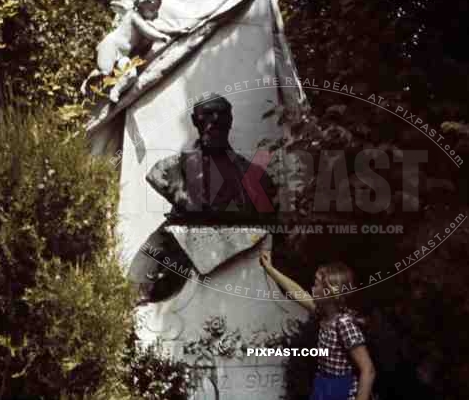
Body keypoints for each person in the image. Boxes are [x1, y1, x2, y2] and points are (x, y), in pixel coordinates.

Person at [131, 93, 276, 305]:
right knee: (140, 275)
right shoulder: (170, 168)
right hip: (178, 249)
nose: (215, 120)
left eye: (222, 114)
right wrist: (185, 199)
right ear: (194, 120)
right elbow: (156, 176)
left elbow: (267, 198)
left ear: (230, 120)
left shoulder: (253, 175)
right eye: (207, 114)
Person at [259, 253, 376, 400]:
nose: (312, 286)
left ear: (330, 292)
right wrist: (270, 269)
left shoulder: (344, 324)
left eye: (317, 283)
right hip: (323, 386)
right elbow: (297, 292)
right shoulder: (322, 314)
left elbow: (368, 369)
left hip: (342, 390)